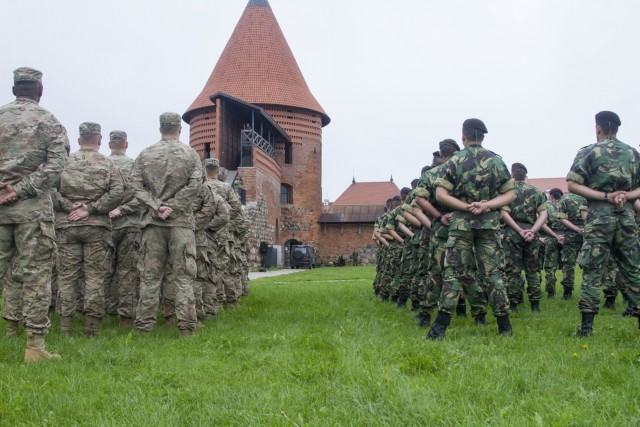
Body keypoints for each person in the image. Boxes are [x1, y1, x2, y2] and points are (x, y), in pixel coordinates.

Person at [0, 67, 69, 361]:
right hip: (32, 212)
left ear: (15, 88)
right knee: (37, 276)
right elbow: (56, 166)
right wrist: (21, 189)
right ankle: (35, 347)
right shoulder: (49, 122)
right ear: (39, 90)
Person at [427, 118, 515, 339]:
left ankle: (439, 329)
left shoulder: (454, 161)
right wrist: (486, 205)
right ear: (482, 137)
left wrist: (465, 206)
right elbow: (510, 194)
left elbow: (440, 195)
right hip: (488, 223)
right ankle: (505, 328)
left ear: (463, 136)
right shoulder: (495, 161)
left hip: (460, 224)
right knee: (493, 274)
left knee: (453, 274)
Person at [566, 110, 640, 336]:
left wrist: (606, 196)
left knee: (592, 271)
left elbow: (572, 184)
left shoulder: (589, 151)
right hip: (626, 216)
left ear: (598, 128)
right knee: (633, 269)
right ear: (616, 129)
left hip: (599, 217)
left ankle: (586, 328)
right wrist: (625, 196)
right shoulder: (633, 153)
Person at [129, 112, 201, 336]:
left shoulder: (145, 154)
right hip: (181, 224)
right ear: (180, 129)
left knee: (150, 278)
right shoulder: (190, 155)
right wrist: (174, 207)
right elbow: (196, 184)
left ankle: (144, 329)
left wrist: (156, 205)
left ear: (160, 128)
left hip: (153, 224)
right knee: (184, 279)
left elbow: (135, 185)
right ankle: (186, 329)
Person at [53, 122, 124, 337]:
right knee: (95, 277)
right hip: (97, 228)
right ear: (100, 140)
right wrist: (91, 209)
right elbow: (117, 193)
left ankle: (65, 327)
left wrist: (69, 207)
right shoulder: (108, 164)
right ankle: (91, 328)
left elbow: (50, 190)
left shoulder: (64, 162)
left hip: (67, 225)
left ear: (78, 140)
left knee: (67, 277)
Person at [501, 162, 548, 312]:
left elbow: (504, 214)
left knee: (513, 271)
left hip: (513, 233)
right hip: (532, 233)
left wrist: (519, 230)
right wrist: (532, 231)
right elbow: (543, 215)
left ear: (512, 174)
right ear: (524, 175)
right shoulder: (536, 192)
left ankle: (513, 305)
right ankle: (535, 306)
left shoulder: (509, 192)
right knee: (533, 270)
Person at [106, 130, 142, 328]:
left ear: (109, 144)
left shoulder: (102, 164)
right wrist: (124, 209)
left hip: (104, 225)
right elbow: (142, 196)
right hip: (130, 224)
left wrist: (108, 209)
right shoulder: (134, 166)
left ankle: (107, 313)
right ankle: (126, 317)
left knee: (105, 270)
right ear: (126, 145)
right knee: (127, 271)